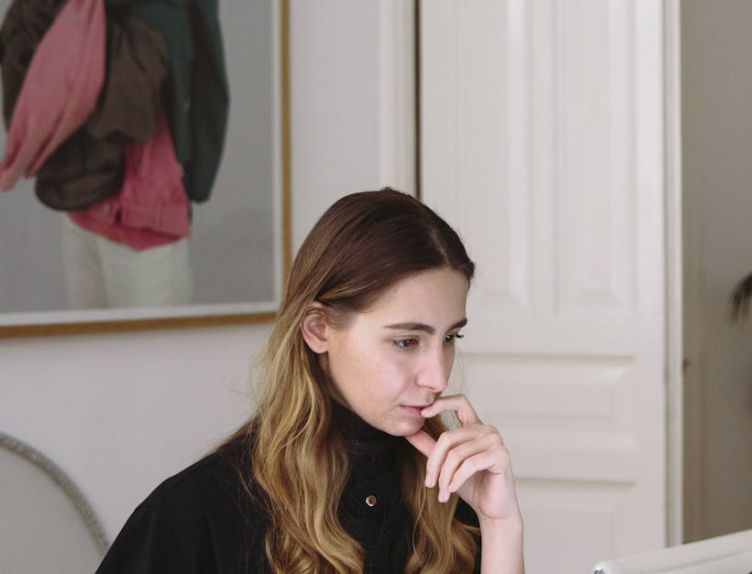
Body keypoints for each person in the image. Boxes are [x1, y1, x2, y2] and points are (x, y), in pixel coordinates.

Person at [96, 189, 524, 573]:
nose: (437, 375)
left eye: (449, 337)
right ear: (318, 329)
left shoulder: (450, 495)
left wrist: (500, 524)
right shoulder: (194, 514)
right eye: (407, 340)